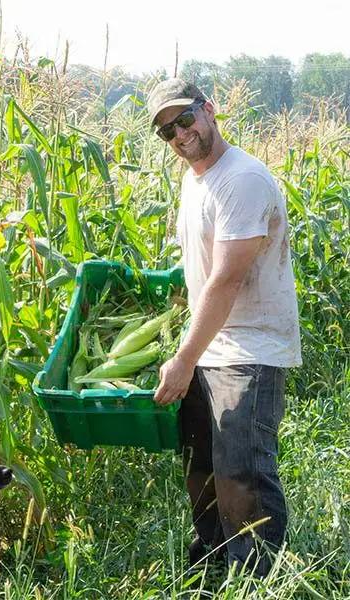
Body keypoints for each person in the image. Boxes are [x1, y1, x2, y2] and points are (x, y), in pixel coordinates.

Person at [148, 78, 302, 577]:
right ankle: (214, 566)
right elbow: (203, 266)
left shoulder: (242, 179)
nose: (179, 134)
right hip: (211, 344)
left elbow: (229, 278)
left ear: (209, 109)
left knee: (242, 475)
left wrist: (183, 359)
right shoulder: (196, 180)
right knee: (204, 471)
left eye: (184, 119)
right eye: (166, 130)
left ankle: (257, 578)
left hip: (249, 349)